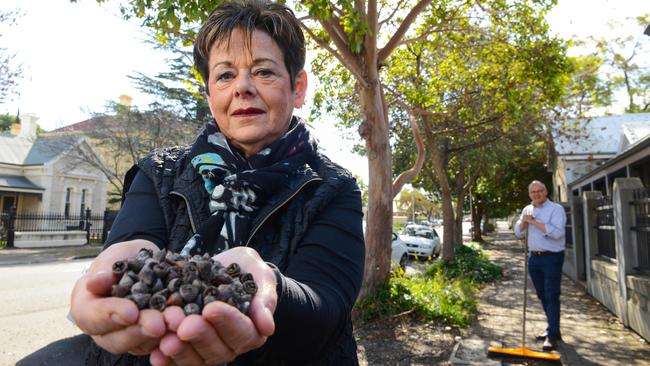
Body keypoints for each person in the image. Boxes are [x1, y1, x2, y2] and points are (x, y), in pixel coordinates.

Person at [67, 1, 366, 365]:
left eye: (263, 72)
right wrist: (110, 273)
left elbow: (324, 307)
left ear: (298, 87)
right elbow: (133, 243)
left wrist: (264, 284)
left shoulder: (333, 188)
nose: (242, 87)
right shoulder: (160, 171)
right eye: (225, 76)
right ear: (210, 95)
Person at [514, 180, 566, 351]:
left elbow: (558, 234)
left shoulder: (556, 209)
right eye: (533, 192)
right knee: (542, 295)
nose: (536, 194)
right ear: (529, 194)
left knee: (551, 295)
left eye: (539, 191)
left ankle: (552, 337)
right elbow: (518, 232)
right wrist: (524, 222)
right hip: (534, 258)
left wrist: (535, 223)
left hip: (552, 258)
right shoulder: (527, 209)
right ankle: (553, 328)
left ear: (546, 191)